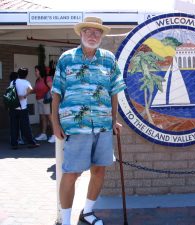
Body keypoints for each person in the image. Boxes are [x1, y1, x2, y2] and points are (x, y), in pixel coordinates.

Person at [51, 17, 126, 225]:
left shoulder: (109, 59)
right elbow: (56, 92)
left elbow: (114, 92)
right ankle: (66, 221)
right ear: (81, 34)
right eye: (88, 32)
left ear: (101, 36)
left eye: (97, 32)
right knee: (71, 173)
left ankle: (88, 212)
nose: (93, 36)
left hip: (102, 124)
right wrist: (55, 123)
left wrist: (113, 120)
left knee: (99, 170)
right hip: (76, 126)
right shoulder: (67, 59)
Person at [9, 68, 40, 149]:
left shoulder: (13, 82)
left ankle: (14, 144)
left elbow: (9, 92)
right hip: (23, 108)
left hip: (13, 107)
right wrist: (24, 95)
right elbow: (31, 89)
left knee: (14, 126)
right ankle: (31, 142)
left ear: (18, 74)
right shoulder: (26, 82)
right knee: (26, 126)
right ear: (26, 75)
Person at [33, 65, 56, 143]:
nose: (35, 72)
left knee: (50, 118)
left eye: (36, 71)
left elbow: (53, 89)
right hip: (39, 100)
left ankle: (54, 135)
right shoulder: (37, 80)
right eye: (35, 71)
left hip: (46, 101)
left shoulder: (47, 78)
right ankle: (43, 134)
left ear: (40, 71)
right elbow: (35, 90)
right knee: (43, 118)